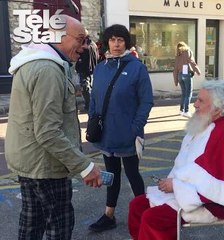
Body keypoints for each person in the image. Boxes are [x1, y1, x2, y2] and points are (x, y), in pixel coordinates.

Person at [5, 15, 102, 240]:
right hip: (46, 164)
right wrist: (85, 166)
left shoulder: (38, 61)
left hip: (31, 160)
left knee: (32, 220)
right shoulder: (48, 69)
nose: (85, 46)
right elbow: (48, 132)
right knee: (59, 224)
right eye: (81, 39)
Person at [128, 80, 224, 240]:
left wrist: (176, 185)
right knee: (137, 205)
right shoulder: (209, 123)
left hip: (213, 204)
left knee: (153, 219)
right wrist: (175, 183)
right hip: (192, 193)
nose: (195, 104)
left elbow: (211, 183)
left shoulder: (222, 132)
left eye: (201, 101)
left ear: (218, 109)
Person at [88, 24, 154, 232]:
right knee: (111, 175)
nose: (116, 44)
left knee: (133, 174)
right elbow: (94, 99)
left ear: (126, 43)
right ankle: (109, 215)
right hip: (106, 134)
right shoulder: (100, 68)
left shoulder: (137, 68)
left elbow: (146, 101)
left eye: (121, 40)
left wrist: (135, 128)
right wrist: (92, 118)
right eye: (112, 40)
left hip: (128, 135)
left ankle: (145, 215)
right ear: (107, 42)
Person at [173, 41, 201, 118]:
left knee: (184, 93)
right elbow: (191, 62)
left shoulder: (177, 55)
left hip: (179, 74)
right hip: (186, 74)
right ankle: (186, 110)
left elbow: (175, 69)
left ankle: (181, 110)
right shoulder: (187, 52)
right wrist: (197, 71)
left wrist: (176, 81)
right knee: (188, 93)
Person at [75, 31, 99, 112]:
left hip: (87, 70)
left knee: (86, 88)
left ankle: (89, 106)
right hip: (90, 69)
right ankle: (89, 105)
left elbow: (87, 57)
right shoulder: (91, 44)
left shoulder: (88, 45)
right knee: (87, 88)